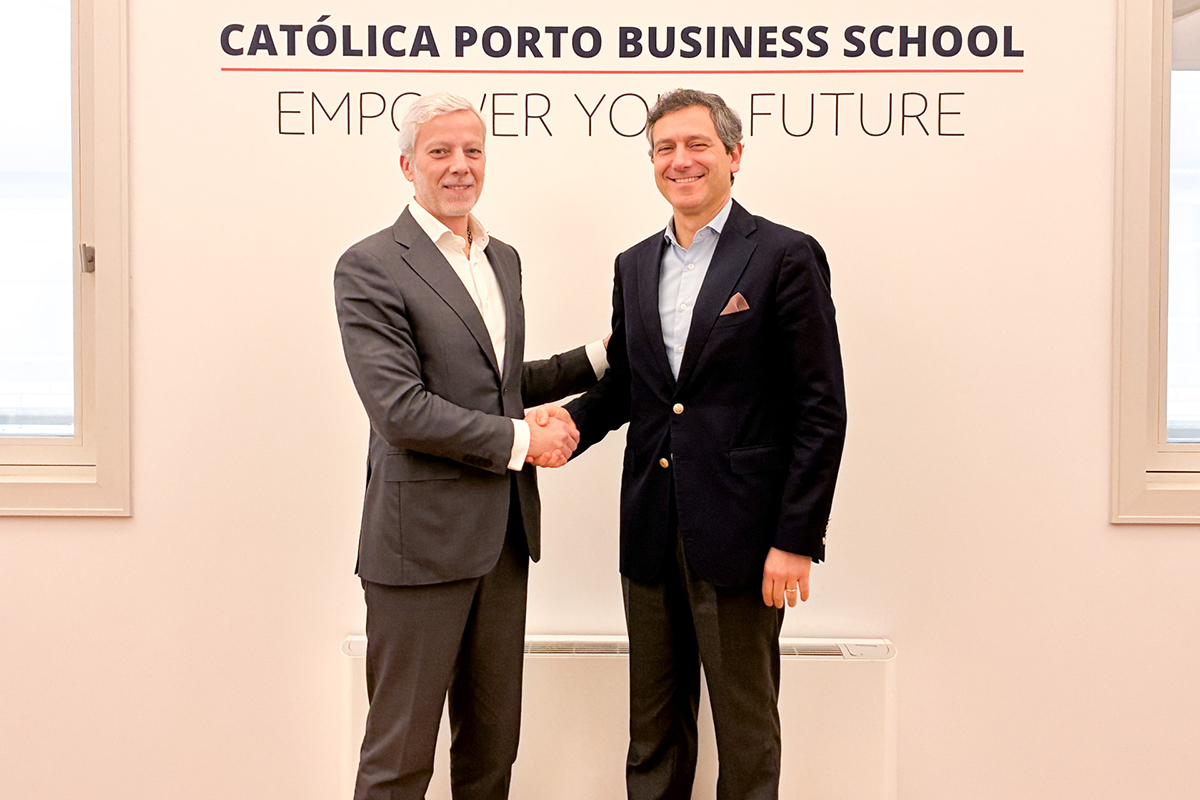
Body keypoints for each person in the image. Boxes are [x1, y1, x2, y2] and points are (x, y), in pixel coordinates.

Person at [557, 88, 847, 800]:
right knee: (652, 735)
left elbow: (821, 409)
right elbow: (632, 387)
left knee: (746, 735)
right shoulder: (633, 264)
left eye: (697, 145)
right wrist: (566, 428)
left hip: (746, 539)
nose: (680, 160)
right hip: (651, 528)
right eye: (665, 148)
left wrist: (796, 538)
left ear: (734, 155)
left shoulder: (784, 255)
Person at [334, 92, 607, 800]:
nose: (460, 165)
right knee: (399, 758)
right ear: (407, 166)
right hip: (419, 548)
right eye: (441, 152)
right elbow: (400, 409)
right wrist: (524, 440)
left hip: (503, 543)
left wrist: (601, 357)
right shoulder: (370, 265)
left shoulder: (502, 259)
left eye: (473, 151)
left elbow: (493, 384)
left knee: (492, 751)